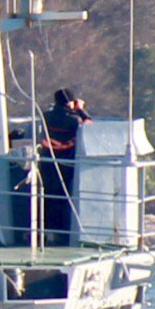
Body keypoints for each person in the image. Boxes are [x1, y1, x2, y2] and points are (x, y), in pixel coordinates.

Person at [39, 88, 92, 243]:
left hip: (47, 162)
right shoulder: (74, 120)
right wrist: (80, 109)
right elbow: (90, 126)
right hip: (66, 163)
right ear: (70, 102)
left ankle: (47, 231)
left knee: (48, 196)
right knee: (64, 198)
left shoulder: (46, 116)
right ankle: (62, 233)